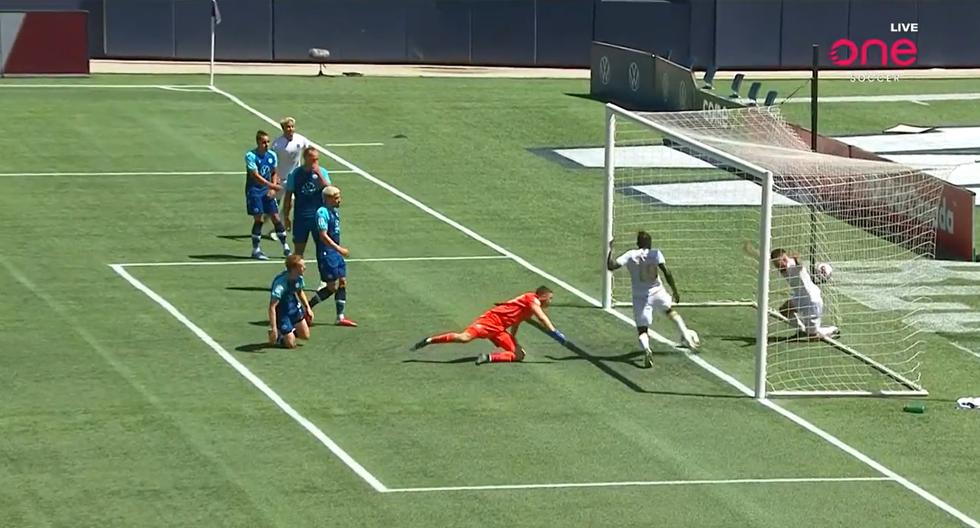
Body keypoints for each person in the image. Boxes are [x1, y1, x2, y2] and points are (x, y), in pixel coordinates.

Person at [607, 231, 697, 368]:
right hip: (658, 291)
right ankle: (686, 336)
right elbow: (667, 272)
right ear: (650, 243)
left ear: (638, 243)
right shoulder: (655, 253)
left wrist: (609, 249)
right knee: (670, 312)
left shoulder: (630, 255)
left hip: (640, 296)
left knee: (642, 330)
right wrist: (675, 290)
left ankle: (647, 349)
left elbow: (611, 266)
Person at [410, 286, 567, 365]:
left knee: (519, 355)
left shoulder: (528, 309)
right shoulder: (532, 300)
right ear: (543, 296)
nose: (551, 302)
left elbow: (516, 322)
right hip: (490, 321)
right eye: (550, 298)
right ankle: (429, 340)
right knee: (464, 338)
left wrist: (513, 338)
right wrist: (555, 333)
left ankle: (488, 358)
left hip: (500, 330)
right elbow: (542, 318)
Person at [307, 185, 357, 327]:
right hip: (327, 253)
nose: (339, 200)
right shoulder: (322, 213)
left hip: (334, 253)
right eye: (336, 198)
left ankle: (340, 317)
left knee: (342, 282)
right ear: (327, 199)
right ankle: (307, 307)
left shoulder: (334, 212)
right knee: (331, 287)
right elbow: (323, 236)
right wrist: (339, 249)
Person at [769, 248, 839, 339]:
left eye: (777, 263)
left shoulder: (793, 266)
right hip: (800, 297)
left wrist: (797, 261)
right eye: (775, 264)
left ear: (784, 259)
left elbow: (799, 266)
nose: (776, 266)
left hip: (812, 301)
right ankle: (801, 330)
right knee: (784, 310)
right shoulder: (784, 267)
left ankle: (833, 330)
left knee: (812, 336)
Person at [245, 130, 290, 260]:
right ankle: (256, 249)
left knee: (275, 217)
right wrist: (272, 186)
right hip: (254, 191)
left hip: (267, 191)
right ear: (258, 142)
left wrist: (273, 188)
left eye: (268, 142)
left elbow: (274, 172)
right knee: (259, 219)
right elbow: (255, 175)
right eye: (263, 142)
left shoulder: (272, 155)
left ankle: (285, 248)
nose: (266, 144)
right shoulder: (250, 156)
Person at [282, 146, 332, 257]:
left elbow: (330, 191)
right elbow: (288, 196)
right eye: (313, 159)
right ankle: (296, 273)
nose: (315, 162)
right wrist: (286, 217)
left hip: (318, 217)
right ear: (305, 158)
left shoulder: (322, 172)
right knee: (299, 251)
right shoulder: (295, 174)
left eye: (317, 159)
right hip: (301, 217)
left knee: (323, 251)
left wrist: (319, 175)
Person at [269, 117, 313, 241]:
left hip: (294, 178)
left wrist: (307, 166)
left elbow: (309, 151)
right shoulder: (277, 144)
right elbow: (272, 162)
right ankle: (270, 221)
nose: (291, 129)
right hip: (280, 178)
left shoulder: (301, 139)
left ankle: (279, 228)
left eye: (292, 126)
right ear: (283, 129)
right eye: (288, 127)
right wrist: (274, 177)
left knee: (289, 204)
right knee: (274, 205)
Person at [268, 254, 313, 348]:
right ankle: (280, 335)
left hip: (294, 307)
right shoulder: (280, 285)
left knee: (305, 336)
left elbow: (300, 292)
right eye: (302, 266)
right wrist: (273, 328)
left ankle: (288, 332)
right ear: (294, 268)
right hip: (282, 313)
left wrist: (308, 307)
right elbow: (272, 307)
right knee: (291, 344)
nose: (305, 268)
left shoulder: (298, 278)